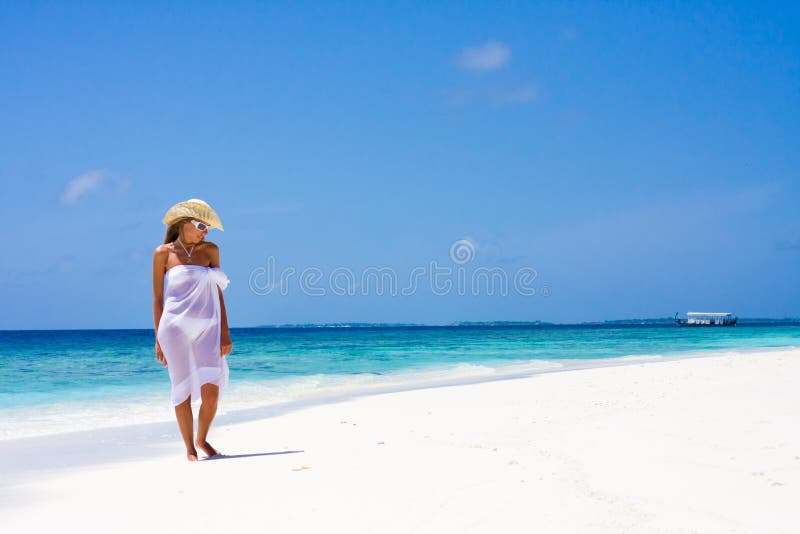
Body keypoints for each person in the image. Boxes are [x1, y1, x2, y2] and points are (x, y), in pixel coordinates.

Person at [152, 198, 233, 461]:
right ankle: (189, 448)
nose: (204, 231)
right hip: (173, 329)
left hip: (208, 328)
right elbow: (157, 298)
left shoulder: (210, 251)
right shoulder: (163, 253)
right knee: (182, 390)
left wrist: (225, 331)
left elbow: (218, 293)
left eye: (207, 227)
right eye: (201, 225)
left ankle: (202, 438)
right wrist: (157, 339)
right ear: (184, 223)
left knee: (212, 393)